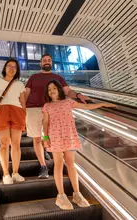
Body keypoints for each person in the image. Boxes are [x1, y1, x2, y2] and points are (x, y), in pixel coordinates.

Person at [42, 80, 117, 210]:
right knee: (58, 164)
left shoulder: (68, 102)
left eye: (54, 88)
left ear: (59, 89)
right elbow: (45, 122)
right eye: (49, 89)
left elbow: (86, 107)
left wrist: (103, 104)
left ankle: (77, 193)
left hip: (69, 135)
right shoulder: (47, 106)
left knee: (71, 163)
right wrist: (46, 137)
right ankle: (61, 195)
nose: (52, 91)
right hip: (55, 136)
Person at [25, 54, 91, 178]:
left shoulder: (58, 78)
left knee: (52, 136)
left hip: (54, 109)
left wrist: (78, 95)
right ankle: (43, 166)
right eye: (44, 60)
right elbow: (26, 93)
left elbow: (68, 91)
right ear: (40, 64)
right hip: (34, 109)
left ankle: (52, 157)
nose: (46, 62)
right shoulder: (34, 77)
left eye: (49, 60)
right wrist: (22, 109)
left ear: (51, 63)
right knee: (37, 138)